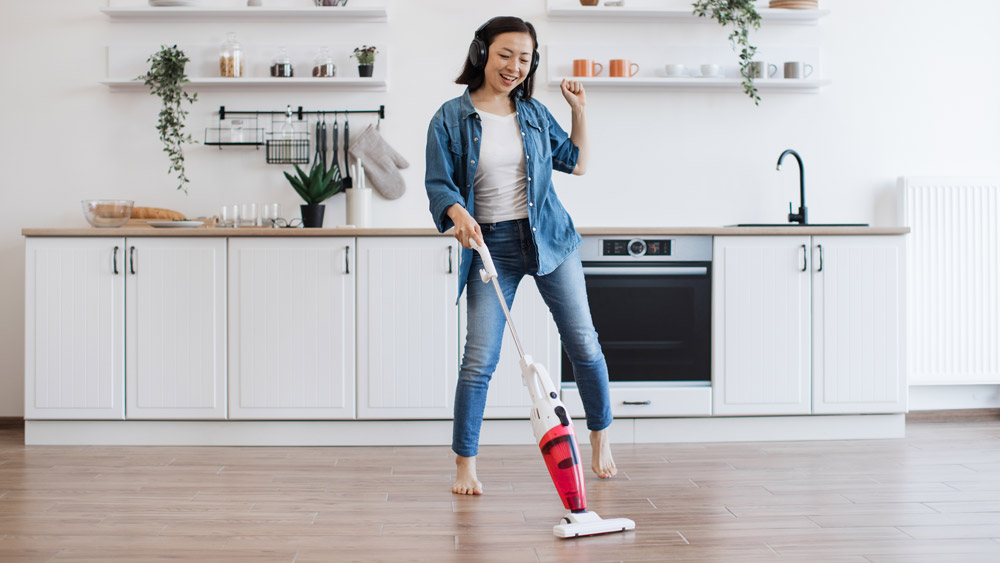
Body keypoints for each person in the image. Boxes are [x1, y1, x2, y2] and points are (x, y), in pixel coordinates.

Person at [424, 16, 616, 496]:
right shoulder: (449, 117)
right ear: (482, 52)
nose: (514, 66)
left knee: (584, 345)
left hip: (550, 239)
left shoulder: (533, 113)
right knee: (478, 360)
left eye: (524, 59)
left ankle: (599, 438)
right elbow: (439, 184)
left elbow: (577, 162)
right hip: (491, 247)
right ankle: (465, 465)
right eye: (505, 54)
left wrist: (579, 110)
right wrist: (455, 212)